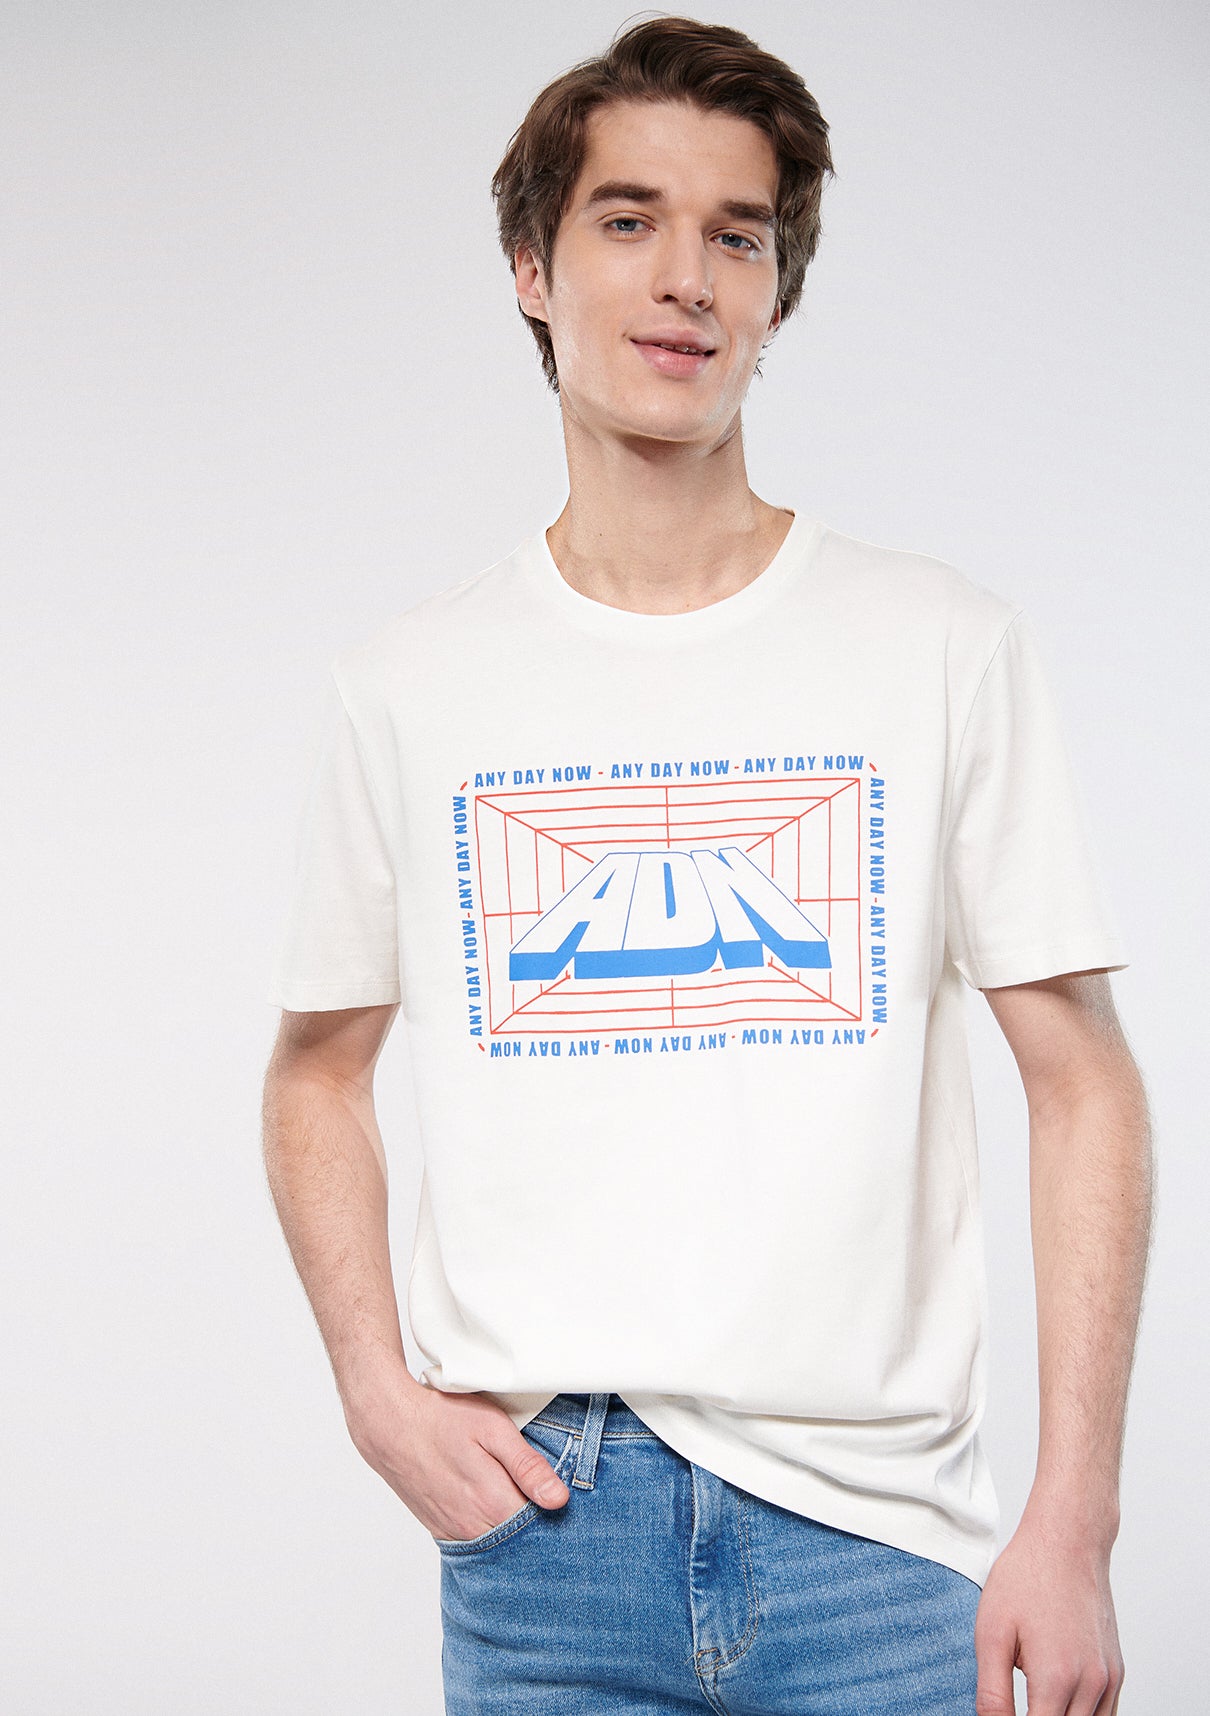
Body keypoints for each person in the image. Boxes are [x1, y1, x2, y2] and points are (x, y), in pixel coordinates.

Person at [261, 17, 1153, 1715]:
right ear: (531, 268)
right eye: (628, 220)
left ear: (773, 293)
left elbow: (1079, 1080)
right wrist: (377, 1392)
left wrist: (1076, 1515)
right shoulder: (407, 687)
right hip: (544, 1539)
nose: (685, 278)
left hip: (879, 1543)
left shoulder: (939, 644)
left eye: (735, 236)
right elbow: (315, 1070)